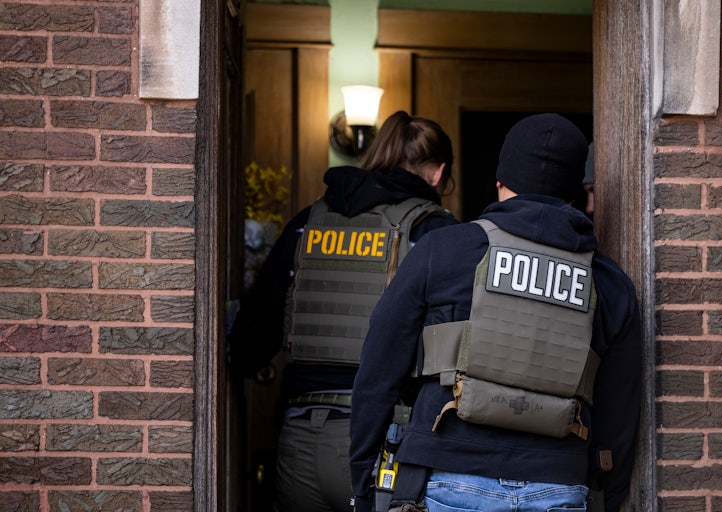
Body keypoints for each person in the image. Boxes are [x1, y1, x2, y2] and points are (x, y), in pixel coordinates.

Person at [349, 113, 641, 512]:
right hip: (559, 486)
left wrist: (364, 482)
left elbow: (377, 375)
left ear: (501, 182)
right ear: (575, 194)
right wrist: (608, 494)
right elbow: (618, 413)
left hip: (447, 479)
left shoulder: (441, 252)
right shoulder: (609, 283)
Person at [229, 110, 458, 512]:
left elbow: (252, 338)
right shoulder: (434, 232)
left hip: (298, 438)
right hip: (378, 443)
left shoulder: (308, 222)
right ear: (437, 174)